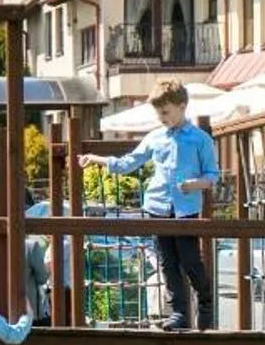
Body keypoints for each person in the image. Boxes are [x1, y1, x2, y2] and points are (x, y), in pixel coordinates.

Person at [83, 82, 220, 331]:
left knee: (190, 260)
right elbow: (129, 162)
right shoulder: (155, 137)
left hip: (185, 209)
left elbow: (212, 175)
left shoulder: (200, 139)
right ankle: (179, 311)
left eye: (166, 112)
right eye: (158, 114)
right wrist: (97, 159)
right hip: (157, 207)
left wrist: (195, 184)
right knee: (167, 263)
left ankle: (206, 301)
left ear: (182, 106)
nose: (162, 118)